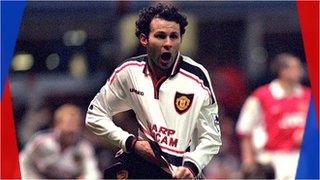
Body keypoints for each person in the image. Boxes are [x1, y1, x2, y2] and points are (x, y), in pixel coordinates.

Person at [86, 3, 221, 179]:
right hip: (142, 165)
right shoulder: (129, 72)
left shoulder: (197, 77)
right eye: (160, 36)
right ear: (144, 39)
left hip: (180, 172)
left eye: (174, 36)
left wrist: (192, 166)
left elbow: (212, 137)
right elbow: (95, 115)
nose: (168, 43)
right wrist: (130, 143)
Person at [236, 53, 311, 179]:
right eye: (295, 68)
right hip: (270, 160)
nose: (300, 71)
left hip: (301, 157)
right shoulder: (261, 96)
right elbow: (244, 130)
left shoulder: (308, 95)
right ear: (283, 71)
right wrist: (248, 161)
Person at [19, 104, 101, 179]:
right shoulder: (41, 141)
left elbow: (93, 173)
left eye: (75, 125)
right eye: (69, 125)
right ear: (57, 124)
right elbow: (22, 162)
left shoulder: (83, 149)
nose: (71, 130)